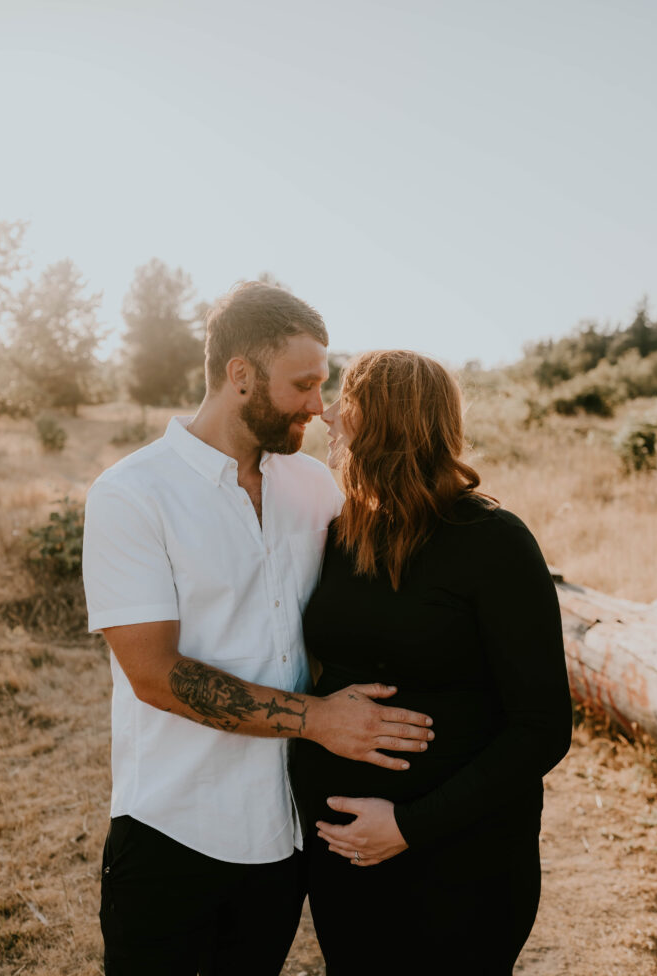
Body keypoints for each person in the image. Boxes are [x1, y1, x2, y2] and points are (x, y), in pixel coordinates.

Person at [82, 284, 434, 976]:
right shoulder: (131, 494)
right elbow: (153, 674)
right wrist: (319, 720)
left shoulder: (315, 486)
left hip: (282, 838)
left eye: (322, 385)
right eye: (302, 385)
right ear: (239, 376)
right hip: (171, 831)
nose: (317, 405)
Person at [291, 349, 573, 976]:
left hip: (462, 861)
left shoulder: (494, 543)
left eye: (349, 401)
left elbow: (544, 728)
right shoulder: (344, 532)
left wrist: (409, 826)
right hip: (345, 860)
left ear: (388, 420)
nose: (330, 415)